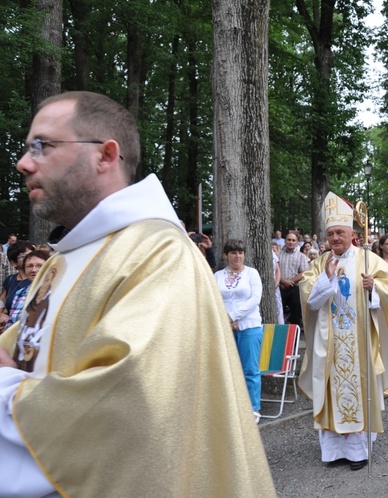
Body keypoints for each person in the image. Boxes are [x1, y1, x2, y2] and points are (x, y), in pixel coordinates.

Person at [0, 91, 274, 496]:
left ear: (106, 155)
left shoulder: (158, 254)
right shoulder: (64, 258)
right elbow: (25, 347)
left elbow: (128, 404)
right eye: (26, 148)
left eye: (43, 145)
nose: (24, 162)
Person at [298, 192, 388, 471]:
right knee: (331, 389)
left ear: (351, 233)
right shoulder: (319, 264)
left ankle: (358, 452)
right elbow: (310, 301)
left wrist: (373, 290)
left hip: (360, 340)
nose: (335, 239)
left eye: (340, 233)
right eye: (330, 234)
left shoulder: (368, 259)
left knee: (359, 386)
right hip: (329, 342)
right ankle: (332, 452)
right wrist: (328, 278)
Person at [215, 239, 264, 423]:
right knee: (227, 369)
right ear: (226, 255)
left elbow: (254, 299)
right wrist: (226, 318)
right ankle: (230, 407)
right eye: (233, 252)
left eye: (240, 252)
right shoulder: (217, 276)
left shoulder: (252, 273)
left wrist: (233, 316)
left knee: (250, 369)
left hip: (249, 326)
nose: (237, 256)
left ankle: (253, 408)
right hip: (224, 327)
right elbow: (214, 299)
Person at [4, 250, 50, 331]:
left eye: (39, 266)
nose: (34, 270)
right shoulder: (20, 293)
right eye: (29, 266)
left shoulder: (56, 293)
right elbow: (10, 326)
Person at [278, 231, 309, 326]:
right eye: (289, 240)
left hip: (294, 288)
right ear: (285, 241)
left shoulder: (301, 256)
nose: (291, 242)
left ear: (297, 242)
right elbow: (274, 271)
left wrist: (290, 282)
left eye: (293, 240)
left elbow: (304, 272)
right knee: (279, 312)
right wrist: (283, 282)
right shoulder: (278, 255)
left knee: (296, 312)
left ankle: (295, 334)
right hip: (280, 287)